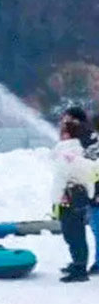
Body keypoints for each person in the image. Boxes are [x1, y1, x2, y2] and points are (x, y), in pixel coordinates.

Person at [53, 106, 99, 281]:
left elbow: (89, 167)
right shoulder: (78, 140)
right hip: (83, 192)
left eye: (66, 120)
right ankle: (78, 263)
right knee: (74, 230)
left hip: (79, 193)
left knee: (77, 230)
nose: (62, 124)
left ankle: (80, 266)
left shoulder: (84, 141)